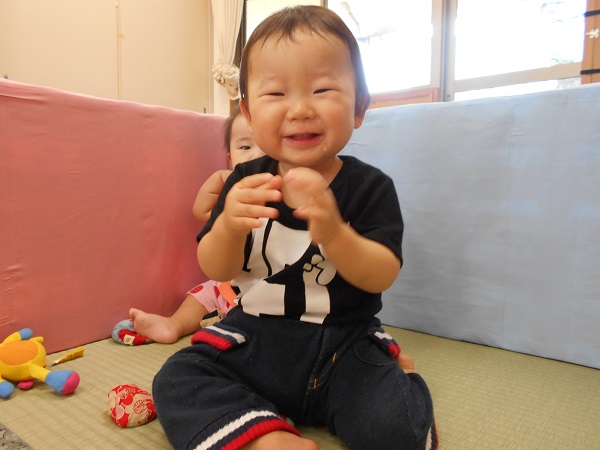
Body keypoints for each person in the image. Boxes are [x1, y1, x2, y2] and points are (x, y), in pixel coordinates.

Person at [153, 6, 437, 450]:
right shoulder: (243, 182)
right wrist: (228, 226)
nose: (301, 109)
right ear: (248, 111)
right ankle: (266, 438)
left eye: (322, 89)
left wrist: (336, 234)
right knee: (177, 377)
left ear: (360, 106)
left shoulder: (369, 187)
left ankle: (402, 374)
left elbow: (381, 274)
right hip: (255, 339)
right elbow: (215, 266)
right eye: (276, 93)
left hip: (344, 347)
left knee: (392, 427)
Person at [127, 109, 264, 344]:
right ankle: (175, 324)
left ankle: (228, 327)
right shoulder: (232, 195)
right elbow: (201, 211)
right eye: (244, 147)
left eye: (265, 146)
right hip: (229, 286)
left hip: (267, 296)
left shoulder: (287, 192)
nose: (256, 154)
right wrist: (219, 180)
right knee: (203, 294)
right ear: (230, 158)